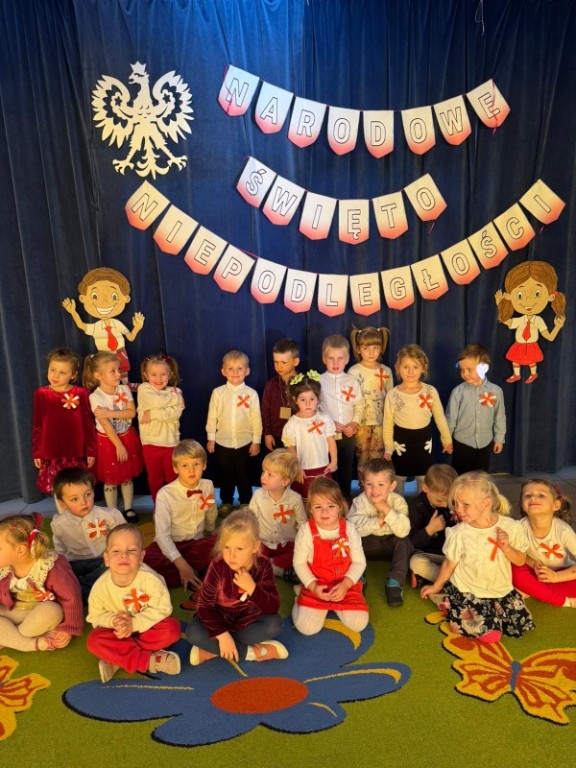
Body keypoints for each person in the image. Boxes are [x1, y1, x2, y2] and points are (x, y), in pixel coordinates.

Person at [421, 472, 535, 643]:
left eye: (465, 504)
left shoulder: (511, 527)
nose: (458, 510)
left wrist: (507, 548)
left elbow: (520, 560)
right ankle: (449, 601)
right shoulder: (459, 533)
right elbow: (449, 564)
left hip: (500, 590)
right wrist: (436, 586)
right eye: (455, 504)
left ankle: (451, 603)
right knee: (490, 634)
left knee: (520, 625)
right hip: (468, 590)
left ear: (486, 503)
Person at [186, 507, 288, 665]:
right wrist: (222, 635)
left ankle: (212, 648)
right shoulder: (218, 565)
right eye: (227, 547)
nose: (231, 555)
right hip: (219, 619)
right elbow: (204, 606)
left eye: (239, 549)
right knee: (193, 632)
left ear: (255, 547)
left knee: (275, 624)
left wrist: (252, 588)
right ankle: (251, 653)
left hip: (248, 622)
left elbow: (273, 606)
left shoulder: (263, 565)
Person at [87, 524, 182, 683]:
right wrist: (114, 621)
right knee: (94, 640)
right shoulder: (100, 587)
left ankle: (119, 659)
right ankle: (151, 661)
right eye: (116, 551)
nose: (124, 555)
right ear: (107, 559)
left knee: (172, 628)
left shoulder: (151, 580)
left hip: (147, 630)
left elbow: (163, 609)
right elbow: (95, 617)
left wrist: (134, 624)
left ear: (141, 556)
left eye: (131, 550)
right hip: (117, 633)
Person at [143, 440, 218, 606]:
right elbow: (162, 535)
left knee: (225, 545)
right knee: (143, 563)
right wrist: (181, 564)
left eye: (196, 464)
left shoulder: (208, 485)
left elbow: (211, 512)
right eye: (184, 465)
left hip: (196, 543)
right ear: (176, 468)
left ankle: (190, 571)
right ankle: (191, 570)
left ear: (204, 465)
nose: (191, 470)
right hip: (169, 544)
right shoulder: (165, 494)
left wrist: (212, 530)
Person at [292, 477, 369, 635]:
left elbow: (359, 562)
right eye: (318, 507)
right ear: (310, 508)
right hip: (316, 585)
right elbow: (299, 563)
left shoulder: (350, 529)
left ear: (340, 506)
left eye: (331, 506)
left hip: (345, 584)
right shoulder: (305, 531)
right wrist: (312, 586)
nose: (324, 512)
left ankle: (336, 604)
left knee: (359, 624)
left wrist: (346, 585)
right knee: (307, 628)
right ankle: (300, 595)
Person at [0, 514, 83, 651]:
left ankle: (11, 637)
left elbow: (72, 598)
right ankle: (32, 643)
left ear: (20, 550)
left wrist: (69, 628)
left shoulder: (51, 568)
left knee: (51, 610)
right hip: (14, 611)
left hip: (40, 614)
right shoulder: (4, 568)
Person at [383, 344, 452, 496]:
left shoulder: (430, 391)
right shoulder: (393, 394)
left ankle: (422, 504)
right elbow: (387, 424)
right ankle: (399, 506)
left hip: (423, 440)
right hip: (401, 441)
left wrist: (447, 439)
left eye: (415, 367)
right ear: (398, 368)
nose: (410, 371)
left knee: (423, 477)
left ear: (423, 368)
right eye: (406, 367)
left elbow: (440, 417)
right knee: (399, 477)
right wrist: (388, 448)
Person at [83, 351, 143, 522]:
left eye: (119, 370)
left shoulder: (124, 389)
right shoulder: (95, 397)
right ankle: (112, 511)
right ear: (98, 375)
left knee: (126, 476)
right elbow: (106, 425)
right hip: (108, 441)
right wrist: (118, 445)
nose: (118, 374)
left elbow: (131, 413)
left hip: (127, 436)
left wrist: (109, 413)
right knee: (110, 479)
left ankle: (129, 508)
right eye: (113, 371)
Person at [51, 467, 125, 603]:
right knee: (58, 572)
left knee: (117, 566)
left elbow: (125, 538)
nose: (83, 502)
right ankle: (92, 588)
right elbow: (60, 550)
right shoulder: (59, 524)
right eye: (74, 499)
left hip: (104, 560)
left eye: (88, 494)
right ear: (62, 503)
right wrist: (62, 567)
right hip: (76, 562)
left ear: (93, 492)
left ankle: (79, 590)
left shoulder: (110, 515)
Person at [62, 266, 145, 385]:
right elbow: (81, 325)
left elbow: (130, 337)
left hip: (120, 353)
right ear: (83, 298)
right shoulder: (96, 327)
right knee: (108, 378)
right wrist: (73, 312)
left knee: (123, 375)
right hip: (104, 357)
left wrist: (137, 327)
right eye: (95, 296)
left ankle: (127, 389)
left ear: (125, 298)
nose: (104, 302)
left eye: (114, 296)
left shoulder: (117, 324)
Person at [348, 458, 412, 606]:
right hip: (367, 546)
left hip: (391, 547)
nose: (375, 490)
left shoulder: (398, 501)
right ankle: (357, 577)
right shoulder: (360, 501)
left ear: (392, 486)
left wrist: (387, 510)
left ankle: (394, 581)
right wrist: (377, 522)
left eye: (381, 484)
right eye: (369, 484)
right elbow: (353, 528)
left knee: (405, 543)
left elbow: (403, 531)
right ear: (362, 483)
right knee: (347, 541)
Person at [32, 347, 96, 494]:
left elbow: (88, 424)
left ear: (73, 375)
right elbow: (38, 425)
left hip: (76, 451)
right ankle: (62, 509)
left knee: (77, 486)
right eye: (53, 370)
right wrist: (37, 452)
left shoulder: (81, 393)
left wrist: (91, 451)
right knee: (58, 487)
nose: (55, 375)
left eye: (62, 372)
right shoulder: (41, 394)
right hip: (52, 451)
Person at [206, 350, 262, 515]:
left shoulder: (251, 394)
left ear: (247, 371)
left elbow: (256, 419)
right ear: (223, 371)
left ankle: (245, 501)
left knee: (244, 474)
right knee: (226, 475)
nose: (235, 372)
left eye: (240, 368)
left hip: (245, 442)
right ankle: (226, 501)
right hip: (223, 442)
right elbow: (212, 416)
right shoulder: (218, 393)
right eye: (230, 368)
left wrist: (256, 441)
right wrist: (211, 438)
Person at [495, 260, 566, 384]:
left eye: (537, 294)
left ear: (550, 297)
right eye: (520, 295)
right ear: (509, 296)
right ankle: (516, 375)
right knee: (515, 360)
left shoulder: (538, 321)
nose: (528, 301)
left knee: (532, 361)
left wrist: (557, 326)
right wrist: (500, 305)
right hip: (520, 345)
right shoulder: (520, 320)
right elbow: (507, 321)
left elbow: (549, 337)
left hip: (532, 345)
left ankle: (533, 374)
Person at [511, 479, 576, 607]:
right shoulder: (519, 527)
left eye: (541, 495)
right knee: (513, 567)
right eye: (528, 495)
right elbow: (519, 555)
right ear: (522, 505)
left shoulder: (564, 531)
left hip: (564, 573)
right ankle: (559, 599)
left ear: (555, 505)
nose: (533, 498)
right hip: (536, 571)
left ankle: (532, 589)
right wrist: (533, 563)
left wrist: (557, 576)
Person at [445, 344, 506, 475]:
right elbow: (450, 418)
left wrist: (499, 438)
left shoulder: (496, 391)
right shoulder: (458, 392)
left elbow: (499, 417)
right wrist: (446, 439)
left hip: (485, 443)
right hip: (462, 443)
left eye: (469, 370)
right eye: (462, 370)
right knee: (461, 477)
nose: (465, 374)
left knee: (481, 477)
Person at [249, 448, 307, 583]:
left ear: (285, 481)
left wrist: (303, 545)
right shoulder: (258, 496)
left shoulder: (295, 499)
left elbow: (302, 524)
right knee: (248, 554)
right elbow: (250, 520)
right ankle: (279, 570)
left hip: (286, 544)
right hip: (263, 543)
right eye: (263, 471)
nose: (263, 476)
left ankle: (267, 566)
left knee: (301, 554)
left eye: (270, 474)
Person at [319, 334, 364, 501]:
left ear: (347, 359)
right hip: (326, 435)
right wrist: (330, 423)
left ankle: (345, 501)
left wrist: (354, 423)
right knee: (328, 468)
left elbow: (359, 405)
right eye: (331, 358)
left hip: (347, 434)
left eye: (340, 358)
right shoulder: (319, 381)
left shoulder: (352, 381)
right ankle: (328, 500)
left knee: (345, 469)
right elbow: (315, 408)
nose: (335, 363)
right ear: (324, 359)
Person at [282, 372, 337, 501]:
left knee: (323, 499)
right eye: (303, 400)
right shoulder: (292, 424)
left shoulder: (324, 419)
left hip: (323, 467)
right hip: (303, 470)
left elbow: (331, 441)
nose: (308, 403)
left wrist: (334, 461)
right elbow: (291, 449)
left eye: (312, 399)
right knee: (305, 501)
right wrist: (297, 469)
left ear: (318, 399)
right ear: (295, 400)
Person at [137, 352, 185, 501]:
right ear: (146, 375)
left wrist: (153, 414)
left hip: (171, 444)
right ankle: (159, 506)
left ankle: (173, 506)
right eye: (154, 375)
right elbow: (157, 402)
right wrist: (174, 399)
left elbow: (176, 413)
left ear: (170, 375)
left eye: (163, 374)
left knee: (173, 478)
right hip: (150, 444)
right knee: (155, 479)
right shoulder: (144, 389)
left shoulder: (176, 391)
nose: (158, 379)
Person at [348, 327, 392, 479]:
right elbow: (350, 399)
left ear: (381, 348)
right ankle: (364, 487)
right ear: (358, 349)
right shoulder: (353, 372)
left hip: (381, 424)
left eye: (375, 347)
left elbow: (390, 399)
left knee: (378, 459)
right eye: (366, 348)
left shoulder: (386, 371)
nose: (371, 352)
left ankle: (377, 486)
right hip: (360, 424)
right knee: (362, 458)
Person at [408, 464, 458, 586]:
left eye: (449, 500)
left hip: (453, 556)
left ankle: (428, 579)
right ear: (425, 488)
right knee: (416, 562)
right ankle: (451, 583)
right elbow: (412, 541)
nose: (446, 505)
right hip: (431, 554)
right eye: (440, 500)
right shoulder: (417, 506)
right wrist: (429, 530)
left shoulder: (456, 503)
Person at [261, 339, 300, 452]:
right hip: (277, 435)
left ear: (295, 361)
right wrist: (267, 433)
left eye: (284, 362)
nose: (279, 366)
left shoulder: (304, 383)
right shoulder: (271, 385)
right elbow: (265, 411)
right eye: (276, 362)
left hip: (299, 436)